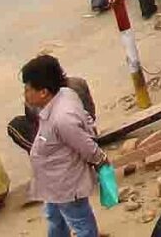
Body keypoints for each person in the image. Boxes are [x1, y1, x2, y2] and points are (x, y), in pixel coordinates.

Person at [23, 53, 107, 237]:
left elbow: (85, 146)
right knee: (55, 218)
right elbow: (85, 116)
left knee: (82, 226)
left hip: (66, 185)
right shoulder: (65, 94)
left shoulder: (62, 118)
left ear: (43, 92)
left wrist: (100, 160)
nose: (25, 94)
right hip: (52, 181)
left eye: (28, 89)